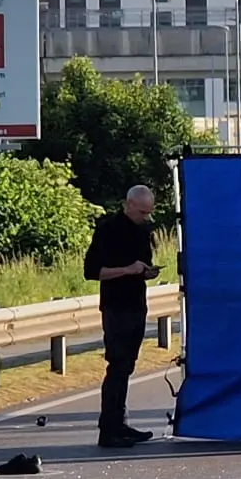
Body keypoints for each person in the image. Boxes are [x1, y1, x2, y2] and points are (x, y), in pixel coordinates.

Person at [83, 184, 160, 449]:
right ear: (128, 205)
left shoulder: (142, 231)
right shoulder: (109, 230)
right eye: (141, 212)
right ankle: (108, 428)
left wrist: (146, 272)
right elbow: (93, 271)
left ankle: (121, 422)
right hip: (117, 306)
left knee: (127, 366)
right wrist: (128, 269)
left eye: (149, 213)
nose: (145, 217)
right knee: (117, 365)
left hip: (136, 302)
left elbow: (140, 266)